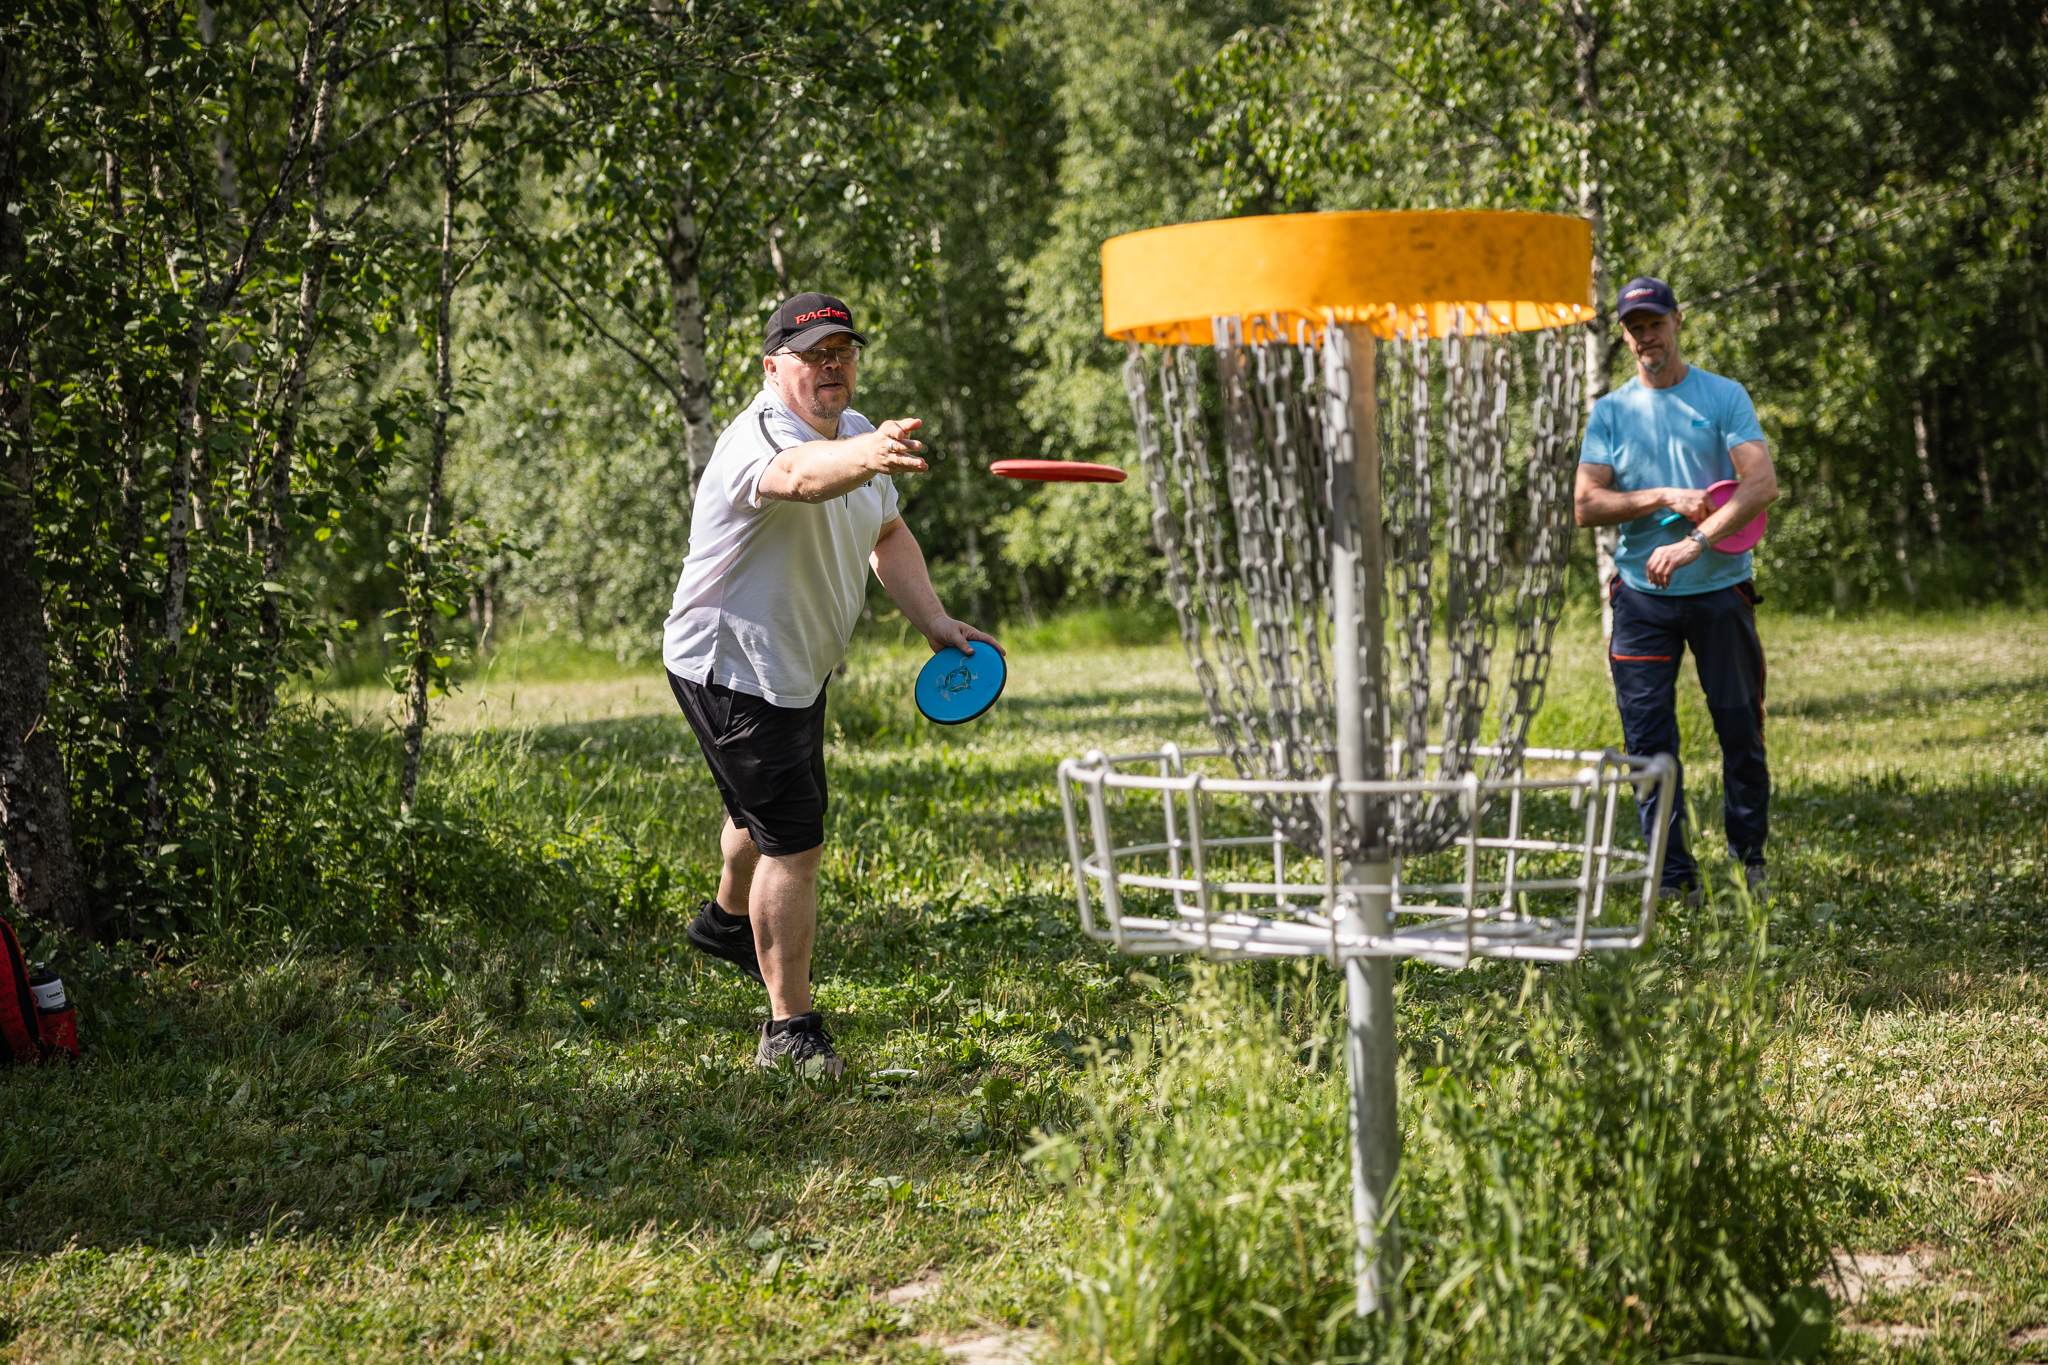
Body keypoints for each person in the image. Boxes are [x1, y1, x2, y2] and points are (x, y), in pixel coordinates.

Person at [663, 292, 1001, 1076]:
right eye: (814, 355)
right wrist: (869, 455)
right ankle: (789, 1030)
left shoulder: (856, 434)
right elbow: (798, 478)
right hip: (733, 667)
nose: (832, 366)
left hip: (793, 666)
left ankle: (725, 923)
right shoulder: (761, 438)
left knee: (761, 809)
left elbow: (888, 531)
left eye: (842, 352)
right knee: (795, 842)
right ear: (772, 366)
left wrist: (934, 620)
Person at [1573, 276, 1780, 902]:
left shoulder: (1722, 396)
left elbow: (1761, 484)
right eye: (1635, 328)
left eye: (1655, 324)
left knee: (1740, 730)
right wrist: (1663, 496)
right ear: (1624, 336)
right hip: (1640, 599)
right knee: (1648, 745)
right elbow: (1586, 504)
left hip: (1720, 591)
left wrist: (1696, 542)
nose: (1646, 337)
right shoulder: (1611, 412)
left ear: (1677, 321)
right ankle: (1672, 879)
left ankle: (1748, 866)